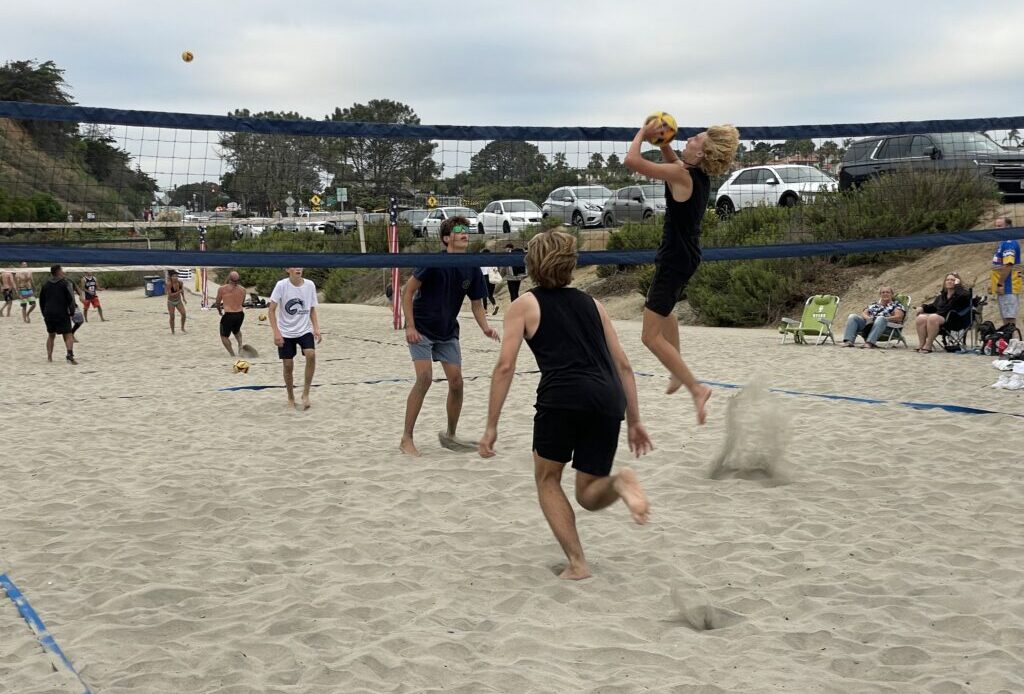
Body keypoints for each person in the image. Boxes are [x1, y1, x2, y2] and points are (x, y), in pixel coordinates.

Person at [479, 228, 652, 580]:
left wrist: (491, 425)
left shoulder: (524, 305)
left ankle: (577, 563)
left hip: (563, 396)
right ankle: (619, 483)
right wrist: (634, 419)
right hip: (607, 399)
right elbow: (624, 365)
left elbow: (505, 366)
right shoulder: (595, 305)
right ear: (571, 264)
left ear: (532, 265)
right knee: (588, 493)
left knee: (547, 479)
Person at [624, 119, 740, 425]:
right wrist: (662, 142)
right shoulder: (693, 174)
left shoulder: (682, 174)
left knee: (649, 337)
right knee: (664, 313)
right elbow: (674, 161)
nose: (688, 139)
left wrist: (642, 133)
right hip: (683, 256)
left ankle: (696, 387)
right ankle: (677, 372)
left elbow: (631, 161)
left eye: (696, 139)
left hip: (675, 258)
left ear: (702, 154)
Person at [400, 216, 500, 457]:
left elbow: (477, 304)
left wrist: (485, 327)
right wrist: (410, 326)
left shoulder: (472, 266)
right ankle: (406, 438)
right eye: (458, 230)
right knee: (424, 378)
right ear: (446, 238)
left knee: (457, 382)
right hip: (422, 327)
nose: (465, 233)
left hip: (447, 331)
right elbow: (407, 291)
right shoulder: (434, 262)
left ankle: (450, 435)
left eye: (467, 230)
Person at [268, 267, 321, 410]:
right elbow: (271, 310)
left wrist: (316, 328)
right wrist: (276, 333)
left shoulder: (309, 285)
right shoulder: (281, 285)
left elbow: (311, 309)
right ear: (287, 269)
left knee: (311, 354)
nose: (298, 268)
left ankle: (305, 393)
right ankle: (291, 397)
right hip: (285, 332)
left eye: (300, 266)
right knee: (288, 365)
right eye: (294, 266)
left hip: (304, 329)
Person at [915, 272, 971, 353]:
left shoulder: (962, 294)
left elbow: (967, 296)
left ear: (957, 281)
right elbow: (933, 307)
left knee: (933, 317)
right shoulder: (942, 296)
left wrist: (958, 286)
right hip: (938, 319)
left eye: (953, 280)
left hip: (954, 320)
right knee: (921, 318)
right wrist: (922, 308)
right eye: (947, 280)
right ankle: (921, 344)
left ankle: (928, 345)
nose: (949, 281)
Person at [840, 287, 906, 348]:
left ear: (892, 294)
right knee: (852, 316)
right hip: (868, 326)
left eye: (887, 292)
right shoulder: (874, 305)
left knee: (880, 318)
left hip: (887, 328)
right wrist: (868, 318)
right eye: (883, 292)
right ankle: (848, 341)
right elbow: (864, 313)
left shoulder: (896, 305)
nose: (885, 294)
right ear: (880, 295)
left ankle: (869, 343)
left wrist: (883, 319)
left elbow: (899, 317)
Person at [38, 264, 77, 364]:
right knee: (68, 334)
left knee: (51, 335)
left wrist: (44, 313)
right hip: (61, 312)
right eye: (62, 270)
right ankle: (69, 355)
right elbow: (71, 299)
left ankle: (49, 357)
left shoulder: (45, 284)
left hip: (49, 313)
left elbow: (41, 301)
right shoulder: (65, 283)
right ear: (58, 272)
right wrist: (72, 312)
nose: (63, 272)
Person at [990, 216, 1021, 332]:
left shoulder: (1009, 242)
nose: (997, 229)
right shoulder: (1002, 242)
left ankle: (1013, 343)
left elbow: (1008, 265)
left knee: (1009, 318)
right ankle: (1008, 343)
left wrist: (1000, 284)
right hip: (1004, 285)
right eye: (996, 226)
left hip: (1008, 286)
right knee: (1005, 317)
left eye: (1000, 226)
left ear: (1008, 227)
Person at [213, 271, 246, 355]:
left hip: (229, 315)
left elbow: (217, 302)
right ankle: (240, 346)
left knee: (224, 336)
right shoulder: (243, 289)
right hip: (240, 314)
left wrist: (219, 310)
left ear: (229, 278)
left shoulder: (222, 289)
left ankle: (232, 354)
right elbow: (242, 303)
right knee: (237, 330)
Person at [479, 248, 500, 315]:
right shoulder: (492, 260)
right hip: (492, 278)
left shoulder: (481, 260)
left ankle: (485, 310)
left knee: (484, 294)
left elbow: (479, 270)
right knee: (490, 294)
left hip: (484, 277)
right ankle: (494, 305)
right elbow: (496, 269)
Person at [166, 269, 187, 333]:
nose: (175, 277)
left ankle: (182, 328)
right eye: (174, 276)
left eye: (176, 276)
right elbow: (170, 294)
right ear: (171, 277)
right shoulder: (169, 284)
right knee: (172, 316)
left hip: (178, 300)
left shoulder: (180, 283)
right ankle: (173, 331)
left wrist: (184, 298)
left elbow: (182, 291)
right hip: (171, 302)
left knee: (183, 314)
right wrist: (179, 292)